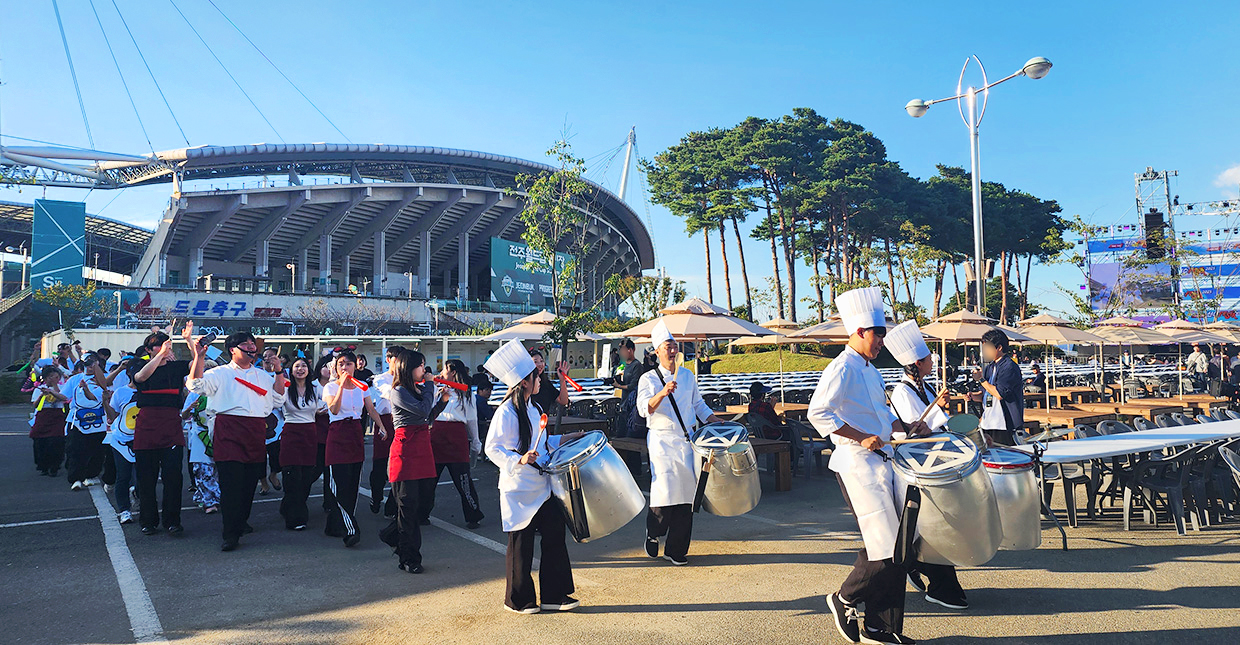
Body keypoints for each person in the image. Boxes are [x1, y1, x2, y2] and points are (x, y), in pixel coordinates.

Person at [809, 287, 929, 645]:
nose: (882, 342)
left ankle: (881, 628)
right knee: (885, 545)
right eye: (879, 334)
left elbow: (882, 416)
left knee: (899, 548)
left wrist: (905, 428)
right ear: (859, 331)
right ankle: (844, 597)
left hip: (884, 461)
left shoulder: (871, 370)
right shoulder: (841, 367)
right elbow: (819, 413)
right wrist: (860, 436)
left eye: (884, 335)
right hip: (857, 463)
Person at [483, 339, 582, 614]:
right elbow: (492, 448)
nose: (540, 379)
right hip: (518, 488)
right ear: (524, 382)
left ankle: (554, 595)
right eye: (536, 376)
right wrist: (519, 458)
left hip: (541, 486)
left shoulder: (535, 408)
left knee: (554, 536)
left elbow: (543, 442)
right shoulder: (506, 411)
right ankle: (517, 600)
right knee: (521, 546)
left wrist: (568, 437)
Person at [883, 320, 969, 612]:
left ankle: (931, 577)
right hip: (915, 468)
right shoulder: (901, 393)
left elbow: (935, 423)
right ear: (918, 363)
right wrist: (936, 414)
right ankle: (937, 582)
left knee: (931, 527)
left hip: (934, 462)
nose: (933, 360)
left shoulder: (925, 387)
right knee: (924, 527)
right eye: (929, 357)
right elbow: (914, 431)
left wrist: (941, 407)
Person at [186, 327, 286, 552]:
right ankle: (230, 533)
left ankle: (241, 521)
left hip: (255, 430)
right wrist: (199, 356)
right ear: (233, 350)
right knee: (231, 483)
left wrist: (278, 370)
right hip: (229, 429)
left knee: (250, 482)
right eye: (247, 345)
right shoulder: (219, 373)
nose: (252, 348)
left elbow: (279, 398)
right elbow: (194, 385)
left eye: (253, 345)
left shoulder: (262, 375)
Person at [637, 320, 724, 566]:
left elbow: (698, 405)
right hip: (662, 441)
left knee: (688, 494)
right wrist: (663, 392)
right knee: (665, 491)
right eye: (667, 346)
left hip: (687, 440)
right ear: (657, 351)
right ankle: (653, 532)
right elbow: (644, 408)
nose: (673, 350)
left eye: (674, 345)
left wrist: (715, 421)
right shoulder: (648, 379)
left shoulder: (687, 376)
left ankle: (676, 549)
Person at [130, 331, 191, 536]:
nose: (165, 348)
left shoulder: (176, 366)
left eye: (167, 345)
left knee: (173, 476)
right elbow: (141, 377)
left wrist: (193, 345)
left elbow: (196, 369)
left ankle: (172, 520)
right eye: (158, 345)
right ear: (149, 349)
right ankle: (148, 520)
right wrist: (159, 357)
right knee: (146, 477)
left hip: (171, 422)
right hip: (147, 423)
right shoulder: (138, 364)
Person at [321, 351, 386, 547]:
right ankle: (351, 529)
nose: (345, 368)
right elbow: (333, 409)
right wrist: (341, 385)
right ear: (336, 367)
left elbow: (371, 409)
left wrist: (381, 426)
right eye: (341, 364)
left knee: (352, 483)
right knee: (338, 483)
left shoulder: (362, 386)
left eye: (349, 364)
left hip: (355, 432)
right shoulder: (330, 387)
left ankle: (336, 524)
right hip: (338, 432)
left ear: (355, 366)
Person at [384, 349, 438, 573]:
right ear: (408, 368)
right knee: (407, 506)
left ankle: (390, 535)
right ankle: (409, 558)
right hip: (405, 452)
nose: (424, 370)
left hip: (422, 449)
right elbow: (423, 411)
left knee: (419, 505)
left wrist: (441, 400)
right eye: (420, 366)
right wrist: (431, 387)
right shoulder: (398, 391)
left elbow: (428, 415)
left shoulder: (417, 389)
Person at [421, 359, 485, 529]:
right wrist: (436, 391)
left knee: (463, 479)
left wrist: (476, 441)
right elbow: (428, 410)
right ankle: (422, 513)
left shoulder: (467, 394)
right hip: (437, 434)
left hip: (457, 437)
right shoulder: (436, 388)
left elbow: (472, 419)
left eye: (445, 370)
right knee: (429, 479)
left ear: (454, 373)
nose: (441, 373)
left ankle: (473, 515)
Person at [279, 357, 321, 531]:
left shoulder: (316, 389)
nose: (300, 369)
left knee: (306, 476)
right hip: (291, 433)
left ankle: (288, 506)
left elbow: (326, 404)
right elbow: (274, 402)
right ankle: (295, 518)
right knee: (292, 476)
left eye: (304, 366)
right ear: (291, 370)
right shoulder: (286, 388)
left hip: (309, 433)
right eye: (297, 366)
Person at [968, 329, 1025, 447]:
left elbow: (999, 394)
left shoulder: (1009, 367)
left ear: (999, 347)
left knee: (1004, 461)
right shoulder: (990, 367)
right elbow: (987, 394)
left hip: (1003, 425)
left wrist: (981, 379)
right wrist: (973, 397)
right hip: (987, 423)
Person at [62, 354, 109, 491]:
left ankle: (91, 475)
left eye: (92, 363)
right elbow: (65, 396)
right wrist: (51, 392)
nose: (89, 366)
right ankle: (75, 478)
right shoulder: (74, 379)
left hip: (97, 421)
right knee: (75, 449)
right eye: (87, 363)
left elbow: (94, 397)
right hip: (77, 420)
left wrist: (87, 387)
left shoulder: (100, 380)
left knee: (97, 450)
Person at [368, 346, 401, 517]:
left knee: (399, 467)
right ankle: (376, 495)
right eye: (396, 359)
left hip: (401, 423)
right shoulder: (380, 379)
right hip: (384, 422)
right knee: (380, 466)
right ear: (388, 360)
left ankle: (392, 505)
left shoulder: (408, 378)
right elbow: (389, 394)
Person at [102, 380, 138, 523]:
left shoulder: (149, 389)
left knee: (142, 476)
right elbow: (113, 415)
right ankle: (124, 510)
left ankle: (136, 493)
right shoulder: (121, 392)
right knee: (123, 476)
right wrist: (105, 402)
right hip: (121, 440)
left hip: (144, 440)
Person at [184, 388, 220, 515]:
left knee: (216, 469)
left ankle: (204, 495)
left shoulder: (221, 390)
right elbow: (184, 415)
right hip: (199, 435)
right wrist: (189, 408)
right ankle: (209, 501)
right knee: (202, 469)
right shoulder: (194, 395)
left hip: (219, 433)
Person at [30, 367, 69, 477]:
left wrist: (54, 387)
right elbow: (35, 405)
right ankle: (43, 466)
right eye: (51, 376)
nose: (54, 379)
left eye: (56, 377)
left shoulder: (62, 387)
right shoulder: (39, 389)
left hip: (57, 416)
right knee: (40, 441)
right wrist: (42, 395)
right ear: (46, 377)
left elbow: (63, 398)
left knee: (56, 442)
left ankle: (54, 466)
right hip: (43, 416)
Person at [313, 355, 335, 513]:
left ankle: (329, 501)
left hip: (333, 430)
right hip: (316, 429)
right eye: (325, 366)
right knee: (315, 468)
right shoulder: (312, 386)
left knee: (330, 470)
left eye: (331, 366)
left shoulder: (337, 385)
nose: (328, 369)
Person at [528, 349, 570, 415]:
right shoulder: (524, 384)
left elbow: (563, 401)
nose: (540, 364)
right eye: (535, 362)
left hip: (543, 423)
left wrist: (562, 380)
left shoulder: (546, 383)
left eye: (541, 361)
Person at [474, 374, 495, 445]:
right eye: (486, 390)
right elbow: (490, 415)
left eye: (490, 390)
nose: (489, 392)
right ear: (480, 390)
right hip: (479, 427)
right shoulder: (481, 401)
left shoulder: (475, 398)